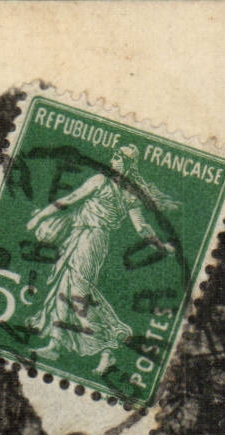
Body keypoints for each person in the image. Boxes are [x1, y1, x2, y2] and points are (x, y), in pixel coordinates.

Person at [24, 144, 179, 376]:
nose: (114, 158)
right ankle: (56, 345)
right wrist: (161, 246)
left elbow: (141, 228)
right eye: (115, 154)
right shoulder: (115, 187)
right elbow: (72, 199)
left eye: (119, 156)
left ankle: (107, 347)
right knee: (64, 286)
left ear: (128, 164)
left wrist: (39, 218)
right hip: (83, 236)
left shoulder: (116, 187)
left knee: (78, 291)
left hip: (92, 239)